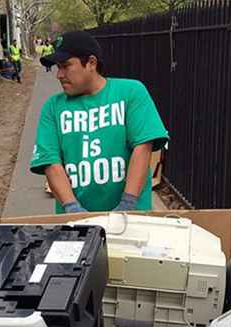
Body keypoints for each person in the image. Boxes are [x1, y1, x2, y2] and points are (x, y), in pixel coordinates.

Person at [30, 31, 169, 213]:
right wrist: (72, 208)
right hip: (75, 222)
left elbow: (143, 147)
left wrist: (128, 203)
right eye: (58, 67)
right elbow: (50, 161)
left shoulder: (130, 93)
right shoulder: (53, 107)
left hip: (133, 216)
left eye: (65, 66)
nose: (59, 75)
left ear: (91, 63)